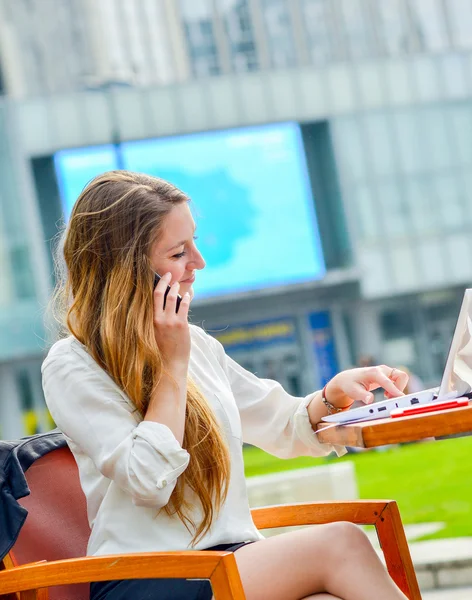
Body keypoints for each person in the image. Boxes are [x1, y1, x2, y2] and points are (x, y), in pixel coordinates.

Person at [42, 171, 410, 600]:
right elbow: (147, 479)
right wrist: (172, 366)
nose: (198, 262)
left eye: (194, 244)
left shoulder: (197, 345)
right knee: (341, 543)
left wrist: (332, 396)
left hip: (227, 562)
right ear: (125, 269)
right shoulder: (74, 364)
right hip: (150, 576)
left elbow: (281, 423)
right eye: (179, 252)